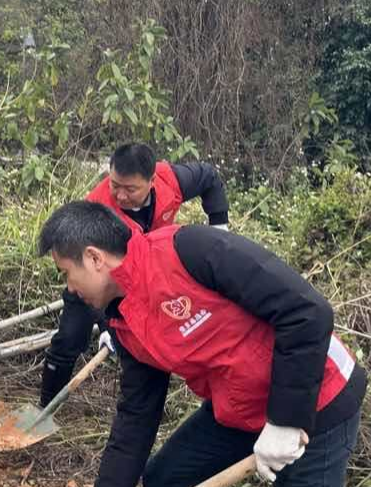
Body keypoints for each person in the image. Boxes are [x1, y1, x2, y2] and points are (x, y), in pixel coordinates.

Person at [39, 201, 365, 487]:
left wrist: (287, 419)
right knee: (167, 477)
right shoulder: (124, 320)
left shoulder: (188, 251)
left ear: (95, 259)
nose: (70, 288)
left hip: (319, 399)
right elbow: (137, 415)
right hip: (243, 409)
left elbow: (308, 312)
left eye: (66, 273)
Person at [42, 143, 230, 407]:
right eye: (114, 185)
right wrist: (107, 324)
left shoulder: (171, 181)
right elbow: (96, 279)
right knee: (69, 339)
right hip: (92, 282)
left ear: (151, 181)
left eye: (130, 189)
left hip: (140, 280)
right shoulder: (97, 207)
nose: (120, 195)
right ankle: (46, 408)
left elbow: (209, 177)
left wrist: (220, 232)